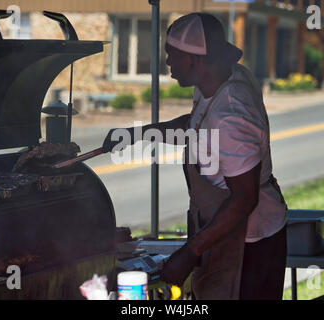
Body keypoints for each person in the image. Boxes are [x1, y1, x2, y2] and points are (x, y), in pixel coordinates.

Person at [102, 13, 288, 300]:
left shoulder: (231, 116)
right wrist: (136, 134)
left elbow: (244, 199)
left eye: (171, 55)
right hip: (227, 231)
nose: (167, 63)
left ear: (195, 60)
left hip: (251, 242)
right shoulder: (216, 82)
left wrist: (189, 252)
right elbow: (194, 123)